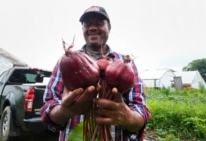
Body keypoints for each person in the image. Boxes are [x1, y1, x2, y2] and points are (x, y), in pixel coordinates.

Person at [40, 5, 151, 141]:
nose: (92, 27)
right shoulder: (65, 63)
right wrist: (66, 111)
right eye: (87, 24)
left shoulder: (126, 63)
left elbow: (141, 112)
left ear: (109, 27)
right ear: (83, 29)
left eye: (99, 23)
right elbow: (48, 108)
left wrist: (127, 117)